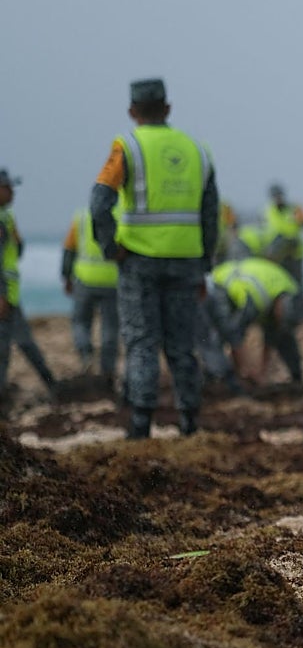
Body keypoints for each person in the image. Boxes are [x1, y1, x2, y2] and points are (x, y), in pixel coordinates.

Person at [90, 78, 219, 438]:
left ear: (132, 112)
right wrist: (205, 263)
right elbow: (211, 214)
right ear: (168, 108)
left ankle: (141, 424)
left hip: (139, 262)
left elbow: (100, 202)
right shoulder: (197, 149)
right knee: (182, 345)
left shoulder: (127, 147)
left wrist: (109, 247)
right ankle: (190, 423)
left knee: (142, 342)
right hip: (186, 261)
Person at [0, 170, 58, 411]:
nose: (12, 192)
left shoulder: (6, 217)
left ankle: (53, 386)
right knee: (3, 351)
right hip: (4, 296)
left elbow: (16, 252)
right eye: (8, 187)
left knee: (25, 343)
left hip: (11, 296)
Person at [206, 257, 303, 385]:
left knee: (285, 335)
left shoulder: (290, 291)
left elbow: (271, 338)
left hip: (248, 278)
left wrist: (261, 374)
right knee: (219, 332)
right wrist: (245, 371)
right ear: (278, 307)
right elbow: (235, 335)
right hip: (221, 281)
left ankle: (297, 377)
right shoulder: (254, 299)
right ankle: (219, 376)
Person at [61, 204, 120, 383]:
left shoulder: (82, 216)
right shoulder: (121, 215)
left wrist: (66, 276)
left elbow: (69, 249)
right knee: (110, 327)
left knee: (80, 322)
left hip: (85, 279)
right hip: (112, 280)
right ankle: (107, 369)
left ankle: (86, 353)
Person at [262, 184, 303, 315]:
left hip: (295, 253)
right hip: (278, 255)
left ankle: (300, 311)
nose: (278, 199)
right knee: (282, 284)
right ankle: (286, 311)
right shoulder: (267, 211)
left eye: (279, 196)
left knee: (297, 283)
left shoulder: (295, 209)